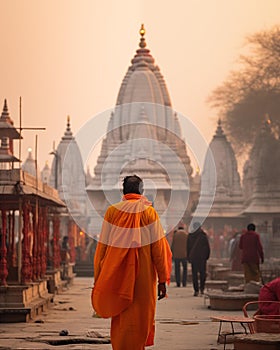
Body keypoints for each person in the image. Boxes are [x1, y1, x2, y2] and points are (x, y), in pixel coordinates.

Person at [91, 175, 172, 350]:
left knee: (121, 313)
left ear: (123, 191)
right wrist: (163, 279)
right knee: (142, 313)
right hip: (144, 275)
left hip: (116, 272)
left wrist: (99, 276)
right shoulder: (149, 212)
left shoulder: (112, 212)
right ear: (142, 191)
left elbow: (102, 247)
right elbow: (158, 249)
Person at [187, 222, 210, 296]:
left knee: (195, 274)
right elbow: (207, 247)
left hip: (194, 258)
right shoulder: (203, 236)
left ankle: (196, 290)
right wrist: (206, 256)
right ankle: (202, 289)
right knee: (202, 273)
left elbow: (188, 248)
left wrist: (188, 257)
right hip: (202, 258)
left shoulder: (190, 235)